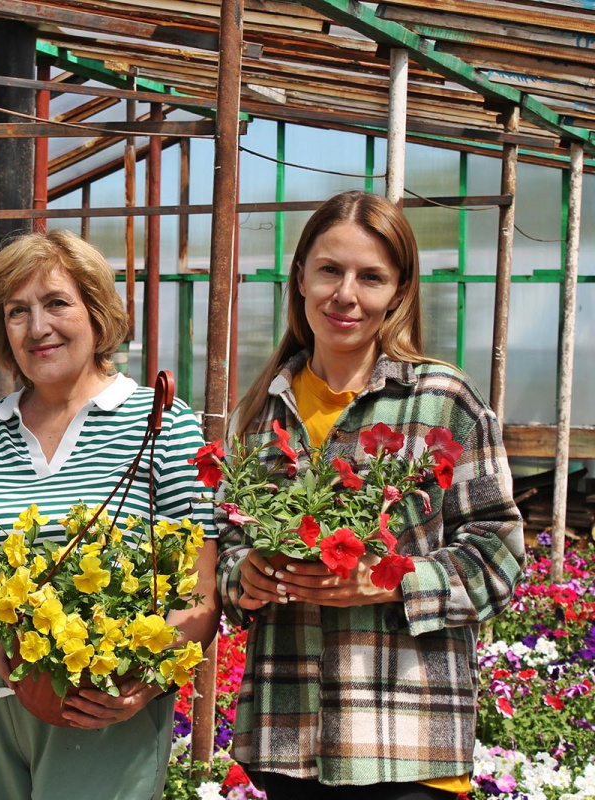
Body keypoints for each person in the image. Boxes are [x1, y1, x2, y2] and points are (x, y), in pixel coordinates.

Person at [217, 190, 525, 799]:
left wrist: (390, 579)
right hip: (287, 742)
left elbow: (499, 555)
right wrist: (243, 579)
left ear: (399, 292)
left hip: (406, 743)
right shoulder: (260, 410)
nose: (346, 295)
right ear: (300, 273)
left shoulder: (443, 401)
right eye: (330, 269)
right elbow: (228, 545)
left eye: (371, 277)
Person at [0, 229, 221, 800]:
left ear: (97, 313)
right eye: (17, 311)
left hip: (102, 696)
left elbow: (198, 595)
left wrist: (142, 685)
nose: (37, 327)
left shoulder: (162, 423)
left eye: (56, 303)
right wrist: (4, 618)